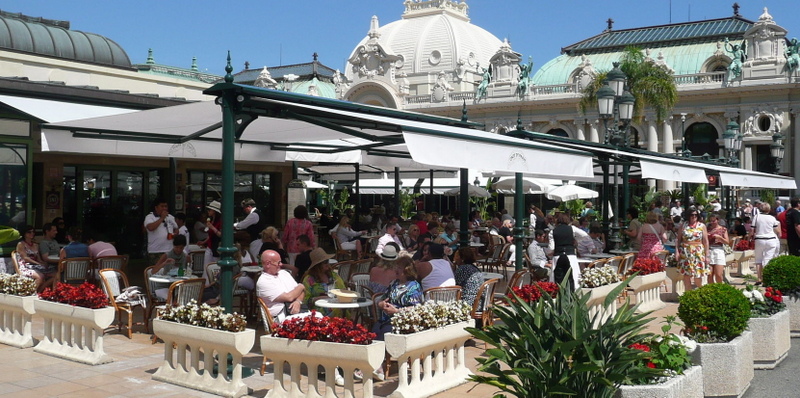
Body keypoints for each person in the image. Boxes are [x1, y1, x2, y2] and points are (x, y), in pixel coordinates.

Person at [372, 255, 423, 379]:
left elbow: (417, 308)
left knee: (384, 332)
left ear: (406, 269)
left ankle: (379, 367)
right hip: (386, 318)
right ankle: (373, 364)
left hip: (402, 321)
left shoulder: (414, 286)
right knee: (373, 331)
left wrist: (397, 311)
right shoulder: (394, 283)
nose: (396, 269)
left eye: (398, 267)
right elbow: (382, 299)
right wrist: (381, 304)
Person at [257, 249, 306, 323]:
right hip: (281, 318)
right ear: (268, 264)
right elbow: (289, 297)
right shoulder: (263, 281)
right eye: (278, 262)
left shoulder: (284, 273)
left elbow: (301, 292)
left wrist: (298, 301)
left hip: (296, 313)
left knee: (318, 318)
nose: (281, 264)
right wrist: (301, 286)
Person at [301, 248, 342, 316]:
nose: (327, 264)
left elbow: (343, 290)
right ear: (317, 265)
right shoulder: (309, 280)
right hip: (318, 311)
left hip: (336, 306)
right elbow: (305, 301)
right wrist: (318, 298)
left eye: (327, 261)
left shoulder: (333, 275)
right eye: (325, 262)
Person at [677, 208, 709, 291]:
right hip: (686, 252)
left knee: (698, 276)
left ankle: (700, 293)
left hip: (698, 252)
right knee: (686, 276)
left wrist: (707, 255)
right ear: (688, 216)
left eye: (695, 215)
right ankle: (688, 295)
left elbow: (705, 241)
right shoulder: (683, 225)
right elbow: (678, 239)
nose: (694, 216)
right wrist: (677, 252)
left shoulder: (702, 226)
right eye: (692, 215)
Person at [15, 225, 53, 292]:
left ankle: (40, 291)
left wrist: (43, 263)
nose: (32, 233)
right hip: (25, 266)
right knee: (40, 276)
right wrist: (38, 263)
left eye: (33, 232)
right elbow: (25, 258)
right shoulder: (21, 244)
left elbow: (38, 258)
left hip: (36, 266)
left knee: (56, 274)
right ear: (24, 233)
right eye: (29, 232)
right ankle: (30, 292)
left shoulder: (36, 245)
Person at [548, 213, 581, 290]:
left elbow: (551, 248)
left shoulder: (553, 231)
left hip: (558, 255)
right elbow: (584, 236)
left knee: (557, 278)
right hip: (570, 255)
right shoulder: (572, 229)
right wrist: (576, 241)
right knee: (574, 277)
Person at [144, 197, 178, 266]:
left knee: (169, 271)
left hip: (169, 250)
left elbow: (176, 228)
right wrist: (162, 218)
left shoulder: (170, 217)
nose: (164, 208)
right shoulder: (150, 217)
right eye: (162, 206)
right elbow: (150, 227)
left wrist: (175, 234)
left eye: (166, 206)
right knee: (156, 272)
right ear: (156, 208)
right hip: (155, 251)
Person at [752, 202, 781, 284]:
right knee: (768, 259)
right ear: (769, 209)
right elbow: (777, 230)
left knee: (758, 259)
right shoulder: (772, 218)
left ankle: (759, 278)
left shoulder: (756, 217)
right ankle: (766, 277)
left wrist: (750, 237)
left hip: (759, 239)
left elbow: (752, 229)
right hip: (771, 239)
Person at [706, 214, 729, 284]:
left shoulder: (723, 229)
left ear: (717, 220)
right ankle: (711, 290)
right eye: (711, 221)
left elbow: (727, 242)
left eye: (714, 220)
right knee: (709, 275)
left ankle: (720, 288)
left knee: (718, 274)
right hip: (709, 251)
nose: (712, 222)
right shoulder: (707, 229)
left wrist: (720, 238)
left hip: (719, 251)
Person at [200, 200, 222, 266]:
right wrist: (203, 242)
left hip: (216, 247)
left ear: (214, 211)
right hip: (209, 247)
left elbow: (221, 235)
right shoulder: (211, 220)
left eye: (209, 209)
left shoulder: (220, 222)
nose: (208, 211)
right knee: (206, 266)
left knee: (216, 267)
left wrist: (212, 227)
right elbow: (210, 235)